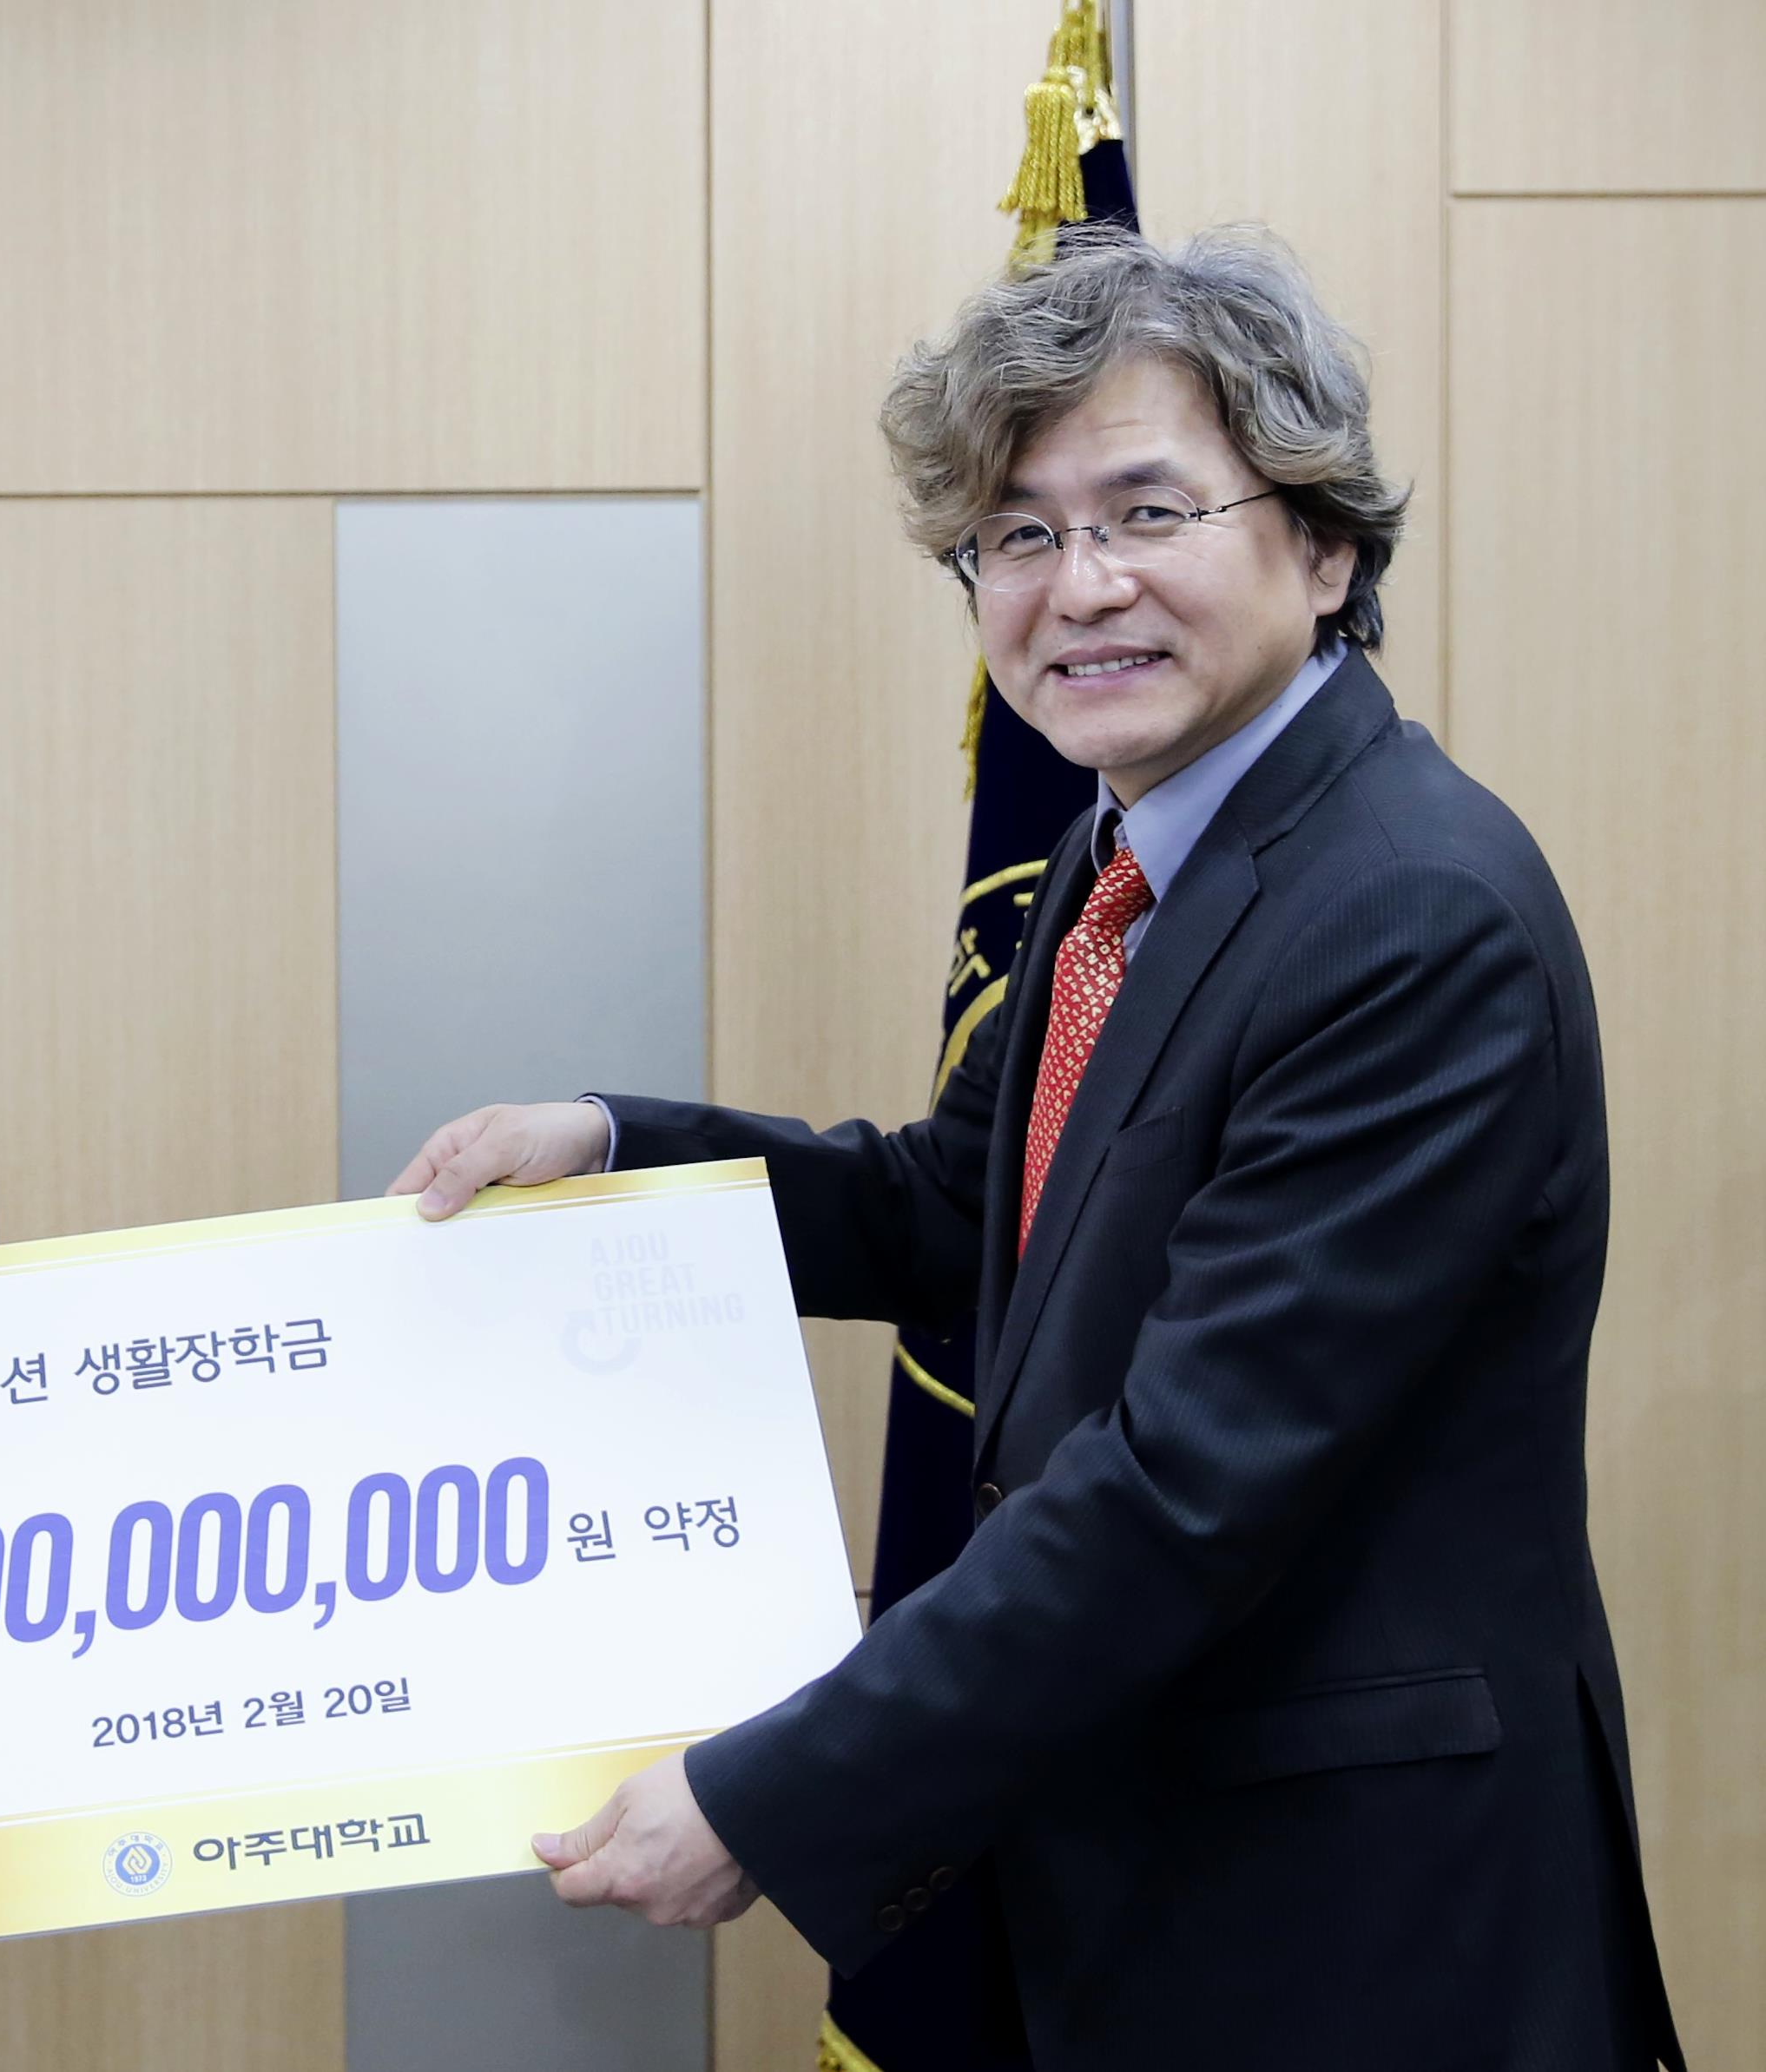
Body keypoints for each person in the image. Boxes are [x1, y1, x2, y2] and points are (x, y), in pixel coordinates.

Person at [393, 229, 1684, 2070]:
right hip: (1153, 1872)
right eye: (1015, 535)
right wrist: (609, 1156)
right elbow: (961, 1206)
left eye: (1147, 512)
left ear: (1323, 547)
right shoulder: (1128, 846)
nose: (1078, 587)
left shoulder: (1409, 915)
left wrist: (776, 1790)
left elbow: (1185, 1484)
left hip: (1362, 1930)